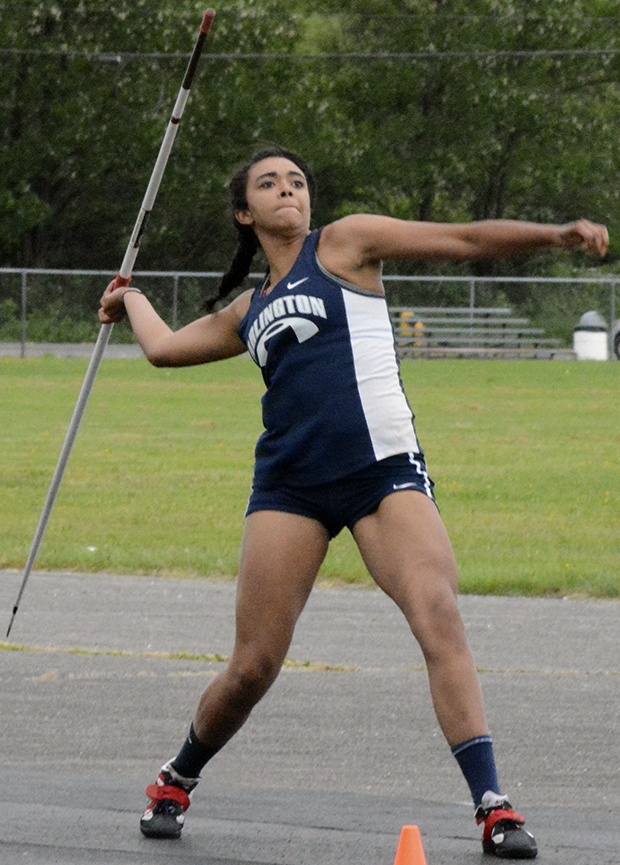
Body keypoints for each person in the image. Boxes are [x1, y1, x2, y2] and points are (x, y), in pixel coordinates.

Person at [99, 146, 608, 859]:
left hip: (382, 471)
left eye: (297, 182)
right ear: (246, 212)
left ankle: (493, 805)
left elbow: (461, 239)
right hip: (290, 485)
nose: (288, 191)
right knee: (252, 665)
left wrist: (552, 236)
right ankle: (176, 777)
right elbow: (163, 349)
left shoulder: (345, 243)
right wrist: (131, 299)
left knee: (439, 612)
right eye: (269, 184)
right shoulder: (251, 309)